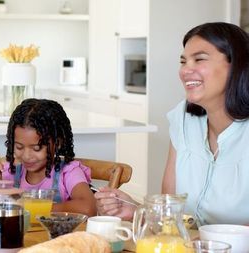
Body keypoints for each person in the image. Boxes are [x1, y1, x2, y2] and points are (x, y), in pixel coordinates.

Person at [95, 22, 249, 225]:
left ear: (236, 65)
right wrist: (137, 211)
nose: (186, 70)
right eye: (184, 61)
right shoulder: (183, 118)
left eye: (199, 59)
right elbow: (170, 213)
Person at [0, 98, 97, 216]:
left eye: (37, 148)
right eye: (19, 147)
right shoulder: (10, 172)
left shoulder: (68, 172)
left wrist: (32, 209)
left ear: (57, 143)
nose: (26, 156)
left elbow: (88, 207)